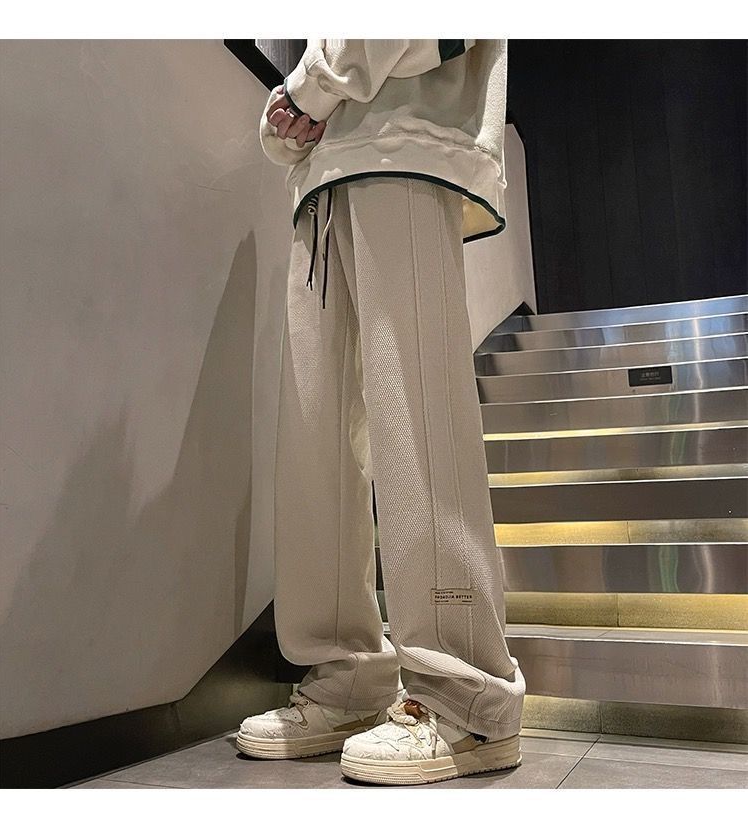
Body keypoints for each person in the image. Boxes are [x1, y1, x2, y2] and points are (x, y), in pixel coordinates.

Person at [238, 39, 526, 786]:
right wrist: (290, 118)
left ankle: (467, 694)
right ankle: (347, 675)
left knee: (418, 428)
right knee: (317, 443)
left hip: (406, 147)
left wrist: (306, 89)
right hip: (323, 176)